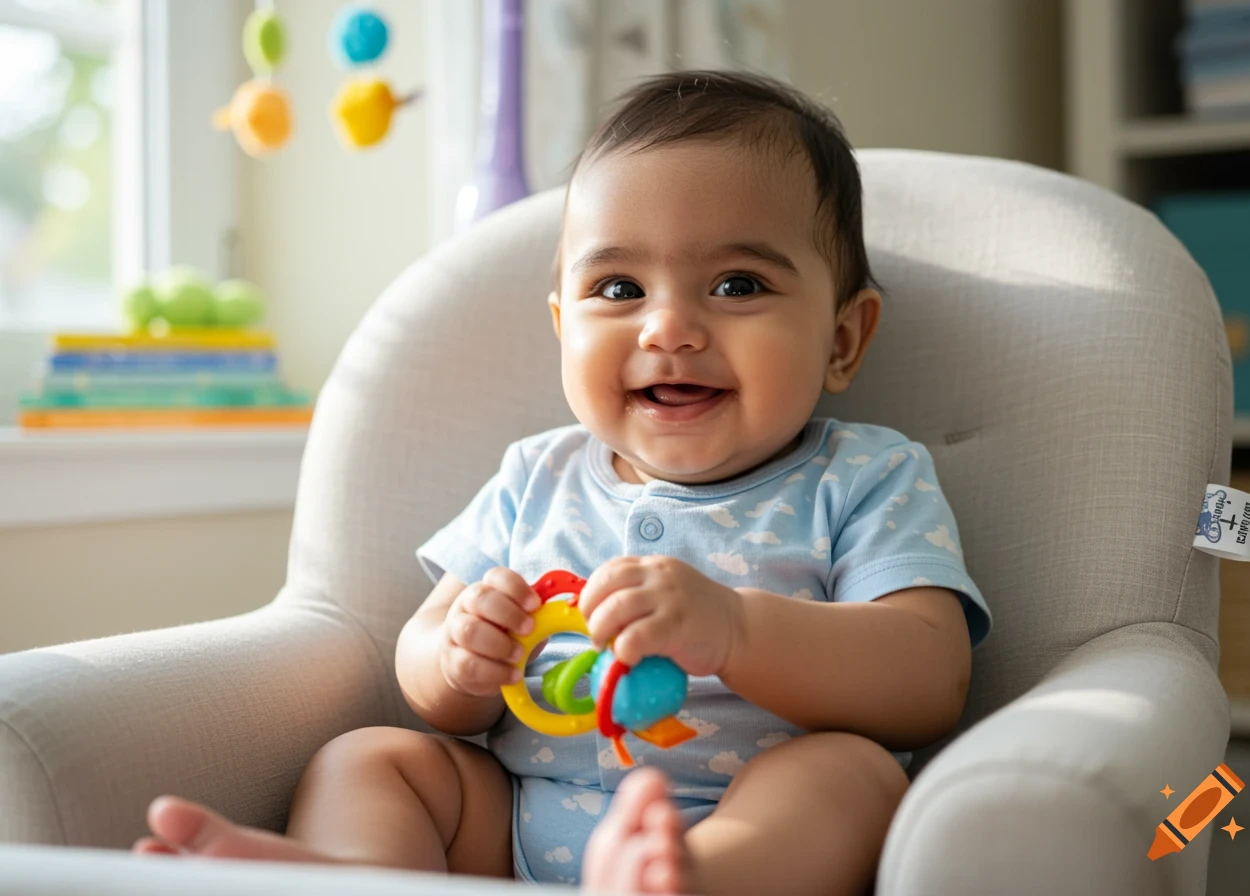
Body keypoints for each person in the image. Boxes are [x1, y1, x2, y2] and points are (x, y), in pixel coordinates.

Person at [135, 70, 993, 896]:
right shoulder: (534, 476)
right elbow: (428, 678)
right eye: (619, 287)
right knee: (371, 758)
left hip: (744, 823)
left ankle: (686, 881)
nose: (668, 328)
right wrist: (460, 657)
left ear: (843, 340)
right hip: (511, 832)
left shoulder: (862, 475)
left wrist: (736, 629)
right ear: (563, 326)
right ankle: (357, 876)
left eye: (738, 285)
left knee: (849, 775)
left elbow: (928, 679)